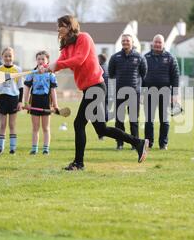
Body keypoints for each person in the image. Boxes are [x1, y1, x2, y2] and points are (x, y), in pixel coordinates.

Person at [48, 15, 148, 171]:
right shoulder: (67, 45)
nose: (58, 28)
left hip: (96, 87)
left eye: (60, 25)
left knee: (78, 123)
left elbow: (79, 60)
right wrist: (46, 68)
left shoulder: (84, 38)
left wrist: (55, 65)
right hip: (89, 88)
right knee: (101, 129)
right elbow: (61, 62)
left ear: (69, 26)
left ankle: (78, 163)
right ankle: (138, 142)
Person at [108, 34, 147, 150]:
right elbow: (111, 73)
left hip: (134, 93)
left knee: (133, 120)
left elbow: (143, 74)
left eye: (127, 41)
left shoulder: (139, 57)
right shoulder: (115, 57)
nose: (125, 42)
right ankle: (119, 143)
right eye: (123, 40)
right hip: (119, 92)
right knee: (119, 120)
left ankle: (135, 144)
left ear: (132, 42)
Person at [143, 34, 179, 150]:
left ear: (163, 44)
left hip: (165, 93)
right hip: (149, 92)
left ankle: (163, 144)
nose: (157, 44)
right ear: (152, 43)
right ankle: (149, 143)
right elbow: (141, 76)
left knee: (165, 120)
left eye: (160, 42)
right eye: (156, 42)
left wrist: (174, 94)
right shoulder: (145, 57)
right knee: (149, 120)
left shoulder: (170, 58)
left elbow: (175, 77)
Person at [24, 50, 59, 155]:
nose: (40, 61)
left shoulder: (50, 75)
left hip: (46, 102)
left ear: (47, 61)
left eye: (43, 59)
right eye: (38, 59)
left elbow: (53, 91)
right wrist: (25, 102)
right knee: (35, 127)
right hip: (35, 101)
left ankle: (45, 149)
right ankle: (34, 149)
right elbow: (26, 89)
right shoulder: (32, 74)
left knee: (46, 127)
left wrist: (55, 104)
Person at [0, 47, 23, 154]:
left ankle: (12, 148)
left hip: (13, 98)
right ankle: (1, 148)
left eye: (10, 56)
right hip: (2, 99)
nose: (8, 58)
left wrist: (20, 101)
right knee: (2, 124)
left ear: (13, 57)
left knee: (12, 124)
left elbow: (20, 87)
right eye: (6, 56)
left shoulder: (18, 70)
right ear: (2, 57)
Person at [98, 53, 110, 131]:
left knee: (101, 109)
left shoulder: (100, 68)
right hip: (108, 91)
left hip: (101, 90)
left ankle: (102, 130)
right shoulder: (107, 67)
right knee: (105, 107)